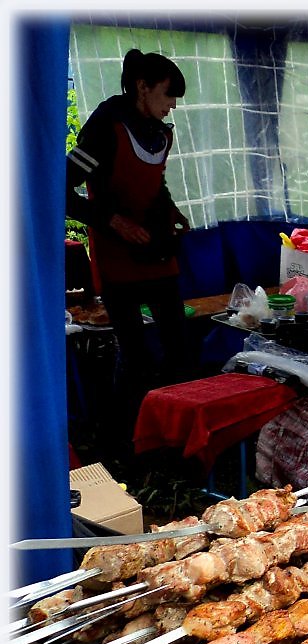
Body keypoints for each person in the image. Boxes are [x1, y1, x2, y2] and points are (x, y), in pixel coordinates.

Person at [66, 49, 191, 433]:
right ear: (142, 86)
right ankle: (125, 435)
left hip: (156, 250)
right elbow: (61, 187)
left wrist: (173, 212)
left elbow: (156, 184)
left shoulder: (161, 131)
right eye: (168, 95)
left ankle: (175, 427)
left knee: (177, 344)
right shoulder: (106, 125)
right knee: (134, 352)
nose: (172, 106)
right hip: (117, 255)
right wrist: (113, 222)